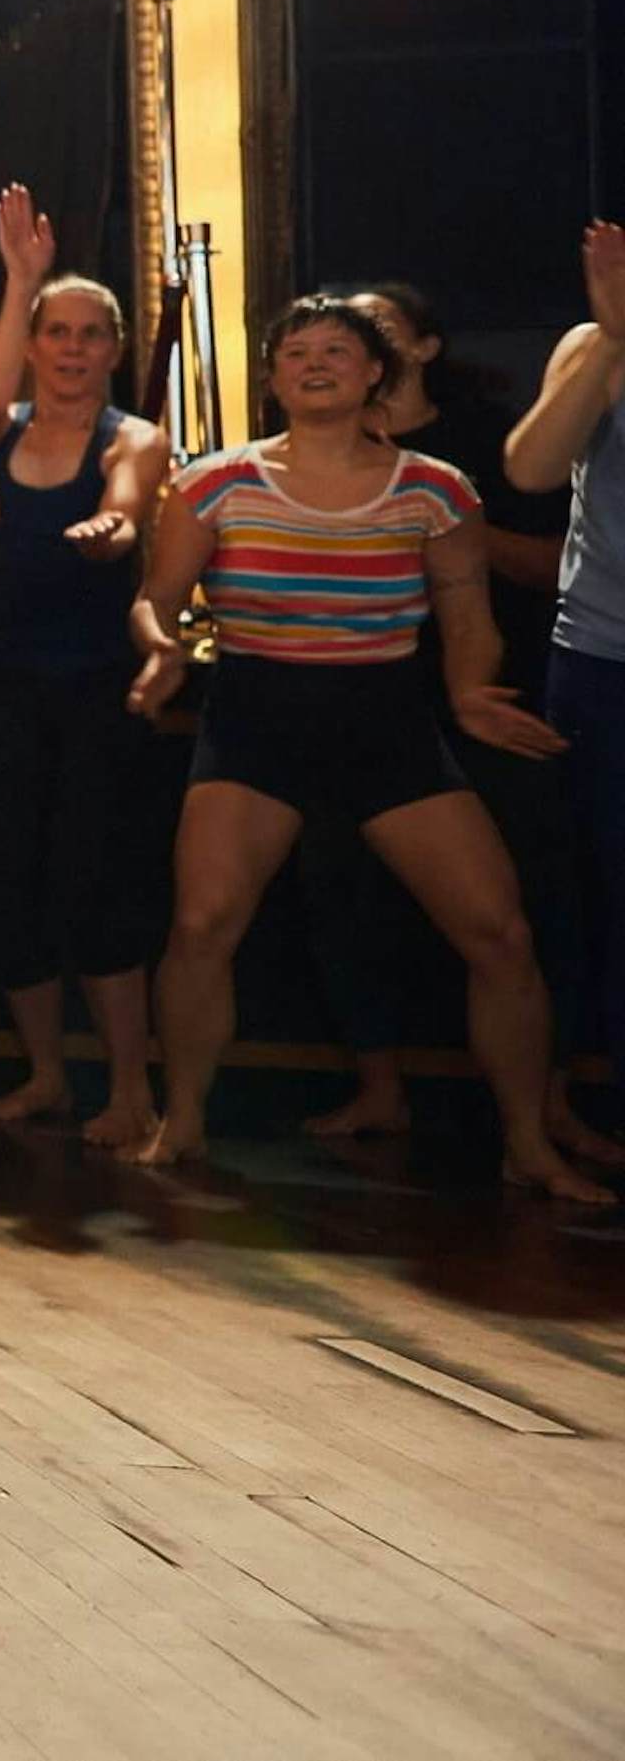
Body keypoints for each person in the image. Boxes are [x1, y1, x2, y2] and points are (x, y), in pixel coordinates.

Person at [127, 296, 604, 1199]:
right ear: (273, 378)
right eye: (296, 352)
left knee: (500, 933)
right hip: (256, 719)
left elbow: (466, 616)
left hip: (384, 721)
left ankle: (527, 1143)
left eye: (336, 351)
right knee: (201, 925)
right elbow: (157, 598)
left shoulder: (436, 488)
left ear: (375, 372)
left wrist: (470, 692)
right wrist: (158, 652)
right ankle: (180, 1117)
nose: (315, 364)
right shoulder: (216, 481)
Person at [295, 280, 607, 1160]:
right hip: (362, 703)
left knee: (530, 903)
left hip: (490, 699)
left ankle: (548, 1106)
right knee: (342, 891)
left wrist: (444, 517)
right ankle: (379, 1089)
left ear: (424, 347)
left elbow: (551, 560)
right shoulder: (324, 446)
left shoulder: (477, 445)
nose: (353, 339)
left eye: (375, 325)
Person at [0, 186, 172, 1140]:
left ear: (113, 351)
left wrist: (111, 528)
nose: (73, 348)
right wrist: (20, 284)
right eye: (57, 332)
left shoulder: (133, 436)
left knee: (98, 886)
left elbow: (125, 502)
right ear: (35, 344)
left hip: (96, 689)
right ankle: (46, 1076)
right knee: (5, 882)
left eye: (90, 335)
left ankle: (130, 1091)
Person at [509, 221, 625, 1135]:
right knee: (597, 892)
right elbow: (532, 468)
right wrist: (613, 339)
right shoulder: (592, 343)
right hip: (601, 658)